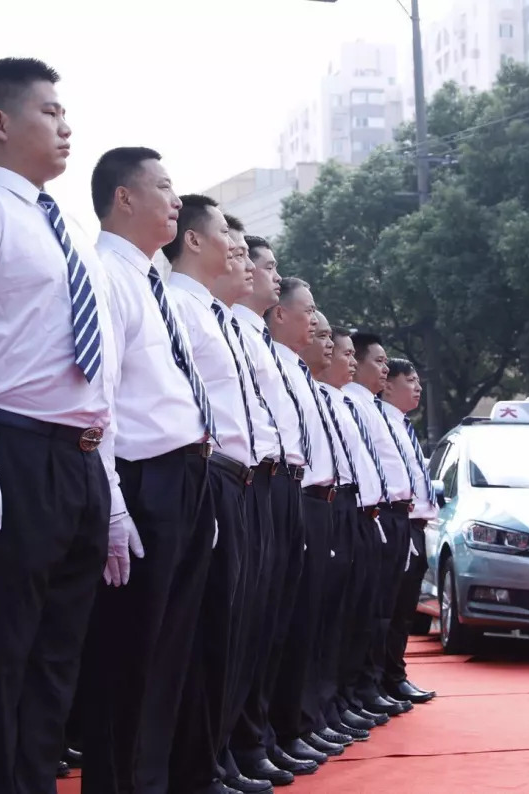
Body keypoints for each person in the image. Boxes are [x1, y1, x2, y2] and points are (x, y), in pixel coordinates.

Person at [0, 58, 135, 794]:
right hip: (10, 451)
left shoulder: (66, 231)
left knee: (55, 663)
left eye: (65, 113)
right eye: (50, 111)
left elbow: (99, 375)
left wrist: (109, 494)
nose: (66, 126)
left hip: (78, 460)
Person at [76, 147, 216, 794]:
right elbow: (96, 397)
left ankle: (152, 780)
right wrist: (112, 504)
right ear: (124, 198)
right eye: (163, 186)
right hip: (141, 480)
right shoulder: (104, 274)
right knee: (129, 653)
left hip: (185, 477)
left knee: (170, 653)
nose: (176, 200)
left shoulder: (152, 280)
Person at [162, 194, 254, 794]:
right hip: (205, 472)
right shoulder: (177, 304)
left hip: (235, 477)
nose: (235, 249)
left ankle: (214, 757)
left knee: (230, 627)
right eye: (226, 234)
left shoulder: (214, 315)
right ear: (194, 240)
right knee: (199, 632)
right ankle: (193, 766)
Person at [229, 237, 312, 787]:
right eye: (266, 265)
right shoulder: (228, 326)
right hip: (246, 478)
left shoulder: (260, 339)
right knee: (241, 627)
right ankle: (235, 745)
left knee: (272, 624)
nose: (273, 276)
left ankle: (258, 738)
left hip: (282, 483)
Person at [209, 215, 279, 794]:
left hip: (260, 480)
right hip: (217, 476)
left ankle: (244, 743)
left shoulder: (244, 332)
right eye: (246, 257)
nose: (259, 272)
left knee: (256, 625)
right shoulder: (193, 312)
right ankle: (214, 753)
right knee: (218, 631)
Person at [265, 278, 343, 769]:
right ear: (280, 314)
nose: (318, 328)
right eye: (310, 313)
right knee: (277, 625)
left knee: (308, 622)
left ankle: (298, 722)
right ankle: (271, 732)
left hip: (312, 498)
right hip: (280, 488)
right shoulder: (268, 358)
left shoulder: (299, 374)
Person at [314, 320, 387, 737]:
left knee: (353, 616)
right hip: (328, 505)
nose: (349, 361)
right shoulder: (325, 396)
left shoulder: (346, 402)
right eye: (345, 353)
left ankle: (341, 702)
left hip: (357, 509)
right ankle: (315, 713)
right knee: (324, 620)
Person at [343, 332, 414, 717]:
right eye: (379, 361)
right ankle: (359, 690)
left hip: (392, 513)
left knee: (384, 608)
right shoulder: (352, 403)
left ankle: (371, 685)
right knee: (366, 610)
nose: (385, 368)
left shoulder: (374, 408)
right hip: (370, 512)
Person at [300, 315, 360, 750]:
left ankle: (325, 709)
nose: (323, 343)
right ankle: (299, 720)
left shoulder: (340, 400)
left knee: (335, 618)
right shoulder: (305, 386)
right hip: (303, 498)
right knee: (305, 621)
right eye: (321, 335)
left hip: (339, 504)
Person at [379, 358, 438, 704]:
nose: (418, 388)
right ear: (388, 385)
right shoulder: (378, 421)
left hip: (415, 523)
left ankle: (394, 674)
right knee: (389, 608)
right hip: (395, 519)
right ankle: (385, 678)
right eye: (411, 381)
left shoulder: (402, 425)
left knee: (404, 608)